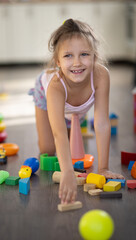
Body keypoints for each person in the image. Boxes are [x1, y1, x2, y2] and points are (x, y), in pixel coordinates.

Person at [29, 19, 124, 204]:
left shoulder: (101, 76)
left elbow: (102, 122)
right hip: (47, 96)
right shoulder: (55, 87)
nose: (77, 63)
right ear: (57, 61)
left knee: (74, 140)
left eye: (84, 54)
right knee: (48, 150)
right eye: (68, 56)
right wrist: (67, 172)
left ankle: (74, 120)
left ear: (94, 56)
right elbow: (58, 133)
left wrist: (103, 168)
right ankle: (71, 123)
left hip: (78, 107)